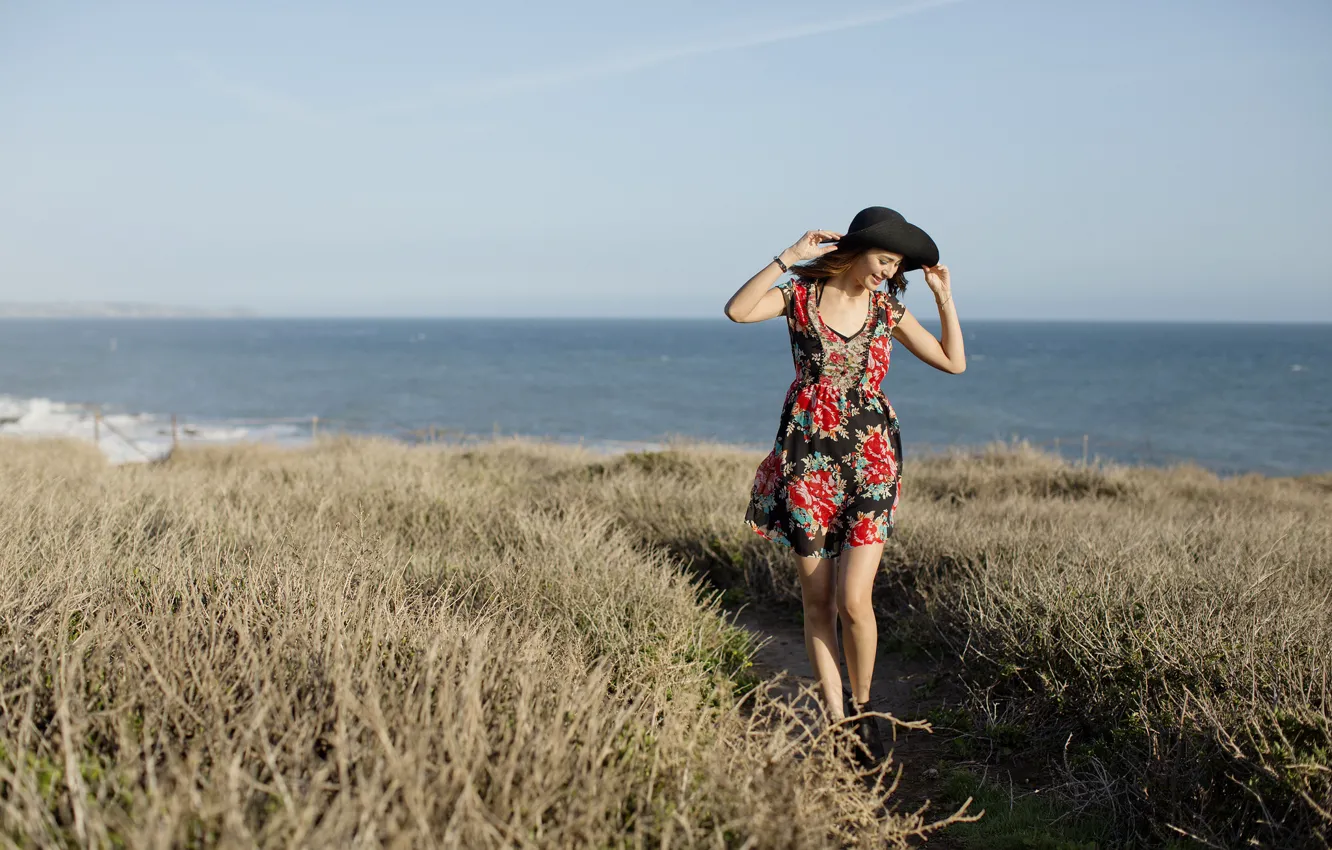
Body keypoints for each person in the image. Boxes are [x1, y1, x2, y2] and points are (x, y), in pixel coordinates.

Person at [722, 206, 966, 765]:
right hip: (808, 460)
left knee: (856, 601)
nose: (888, 271)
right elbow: (737, 311)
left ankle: (864, 710)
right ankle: (837, 723)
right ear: (857, 250)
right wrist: (789, 256)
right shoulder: (798, 297)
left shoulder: (889, 309)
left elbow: (954, 363)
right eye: (884, 259)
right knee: (819, 601)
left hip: (873, 459)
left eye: (897, 264)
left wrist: (943, 297)